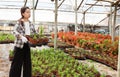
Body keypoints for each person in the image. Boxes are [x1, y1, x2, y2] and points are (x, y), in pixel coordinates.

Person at [9, 6, 36, 77]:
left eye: (30, 12)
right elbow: (14, 31)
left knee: (27, 63)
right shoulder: (19, 22)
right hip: (19, 46)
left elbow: (34, 33)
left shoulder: (31, 23)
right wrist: (21, 37)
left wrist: (35, 38)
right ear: (23, 13)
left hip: (27, 45)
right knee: (17, 64)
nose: (29, 13)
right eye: (27, 12)